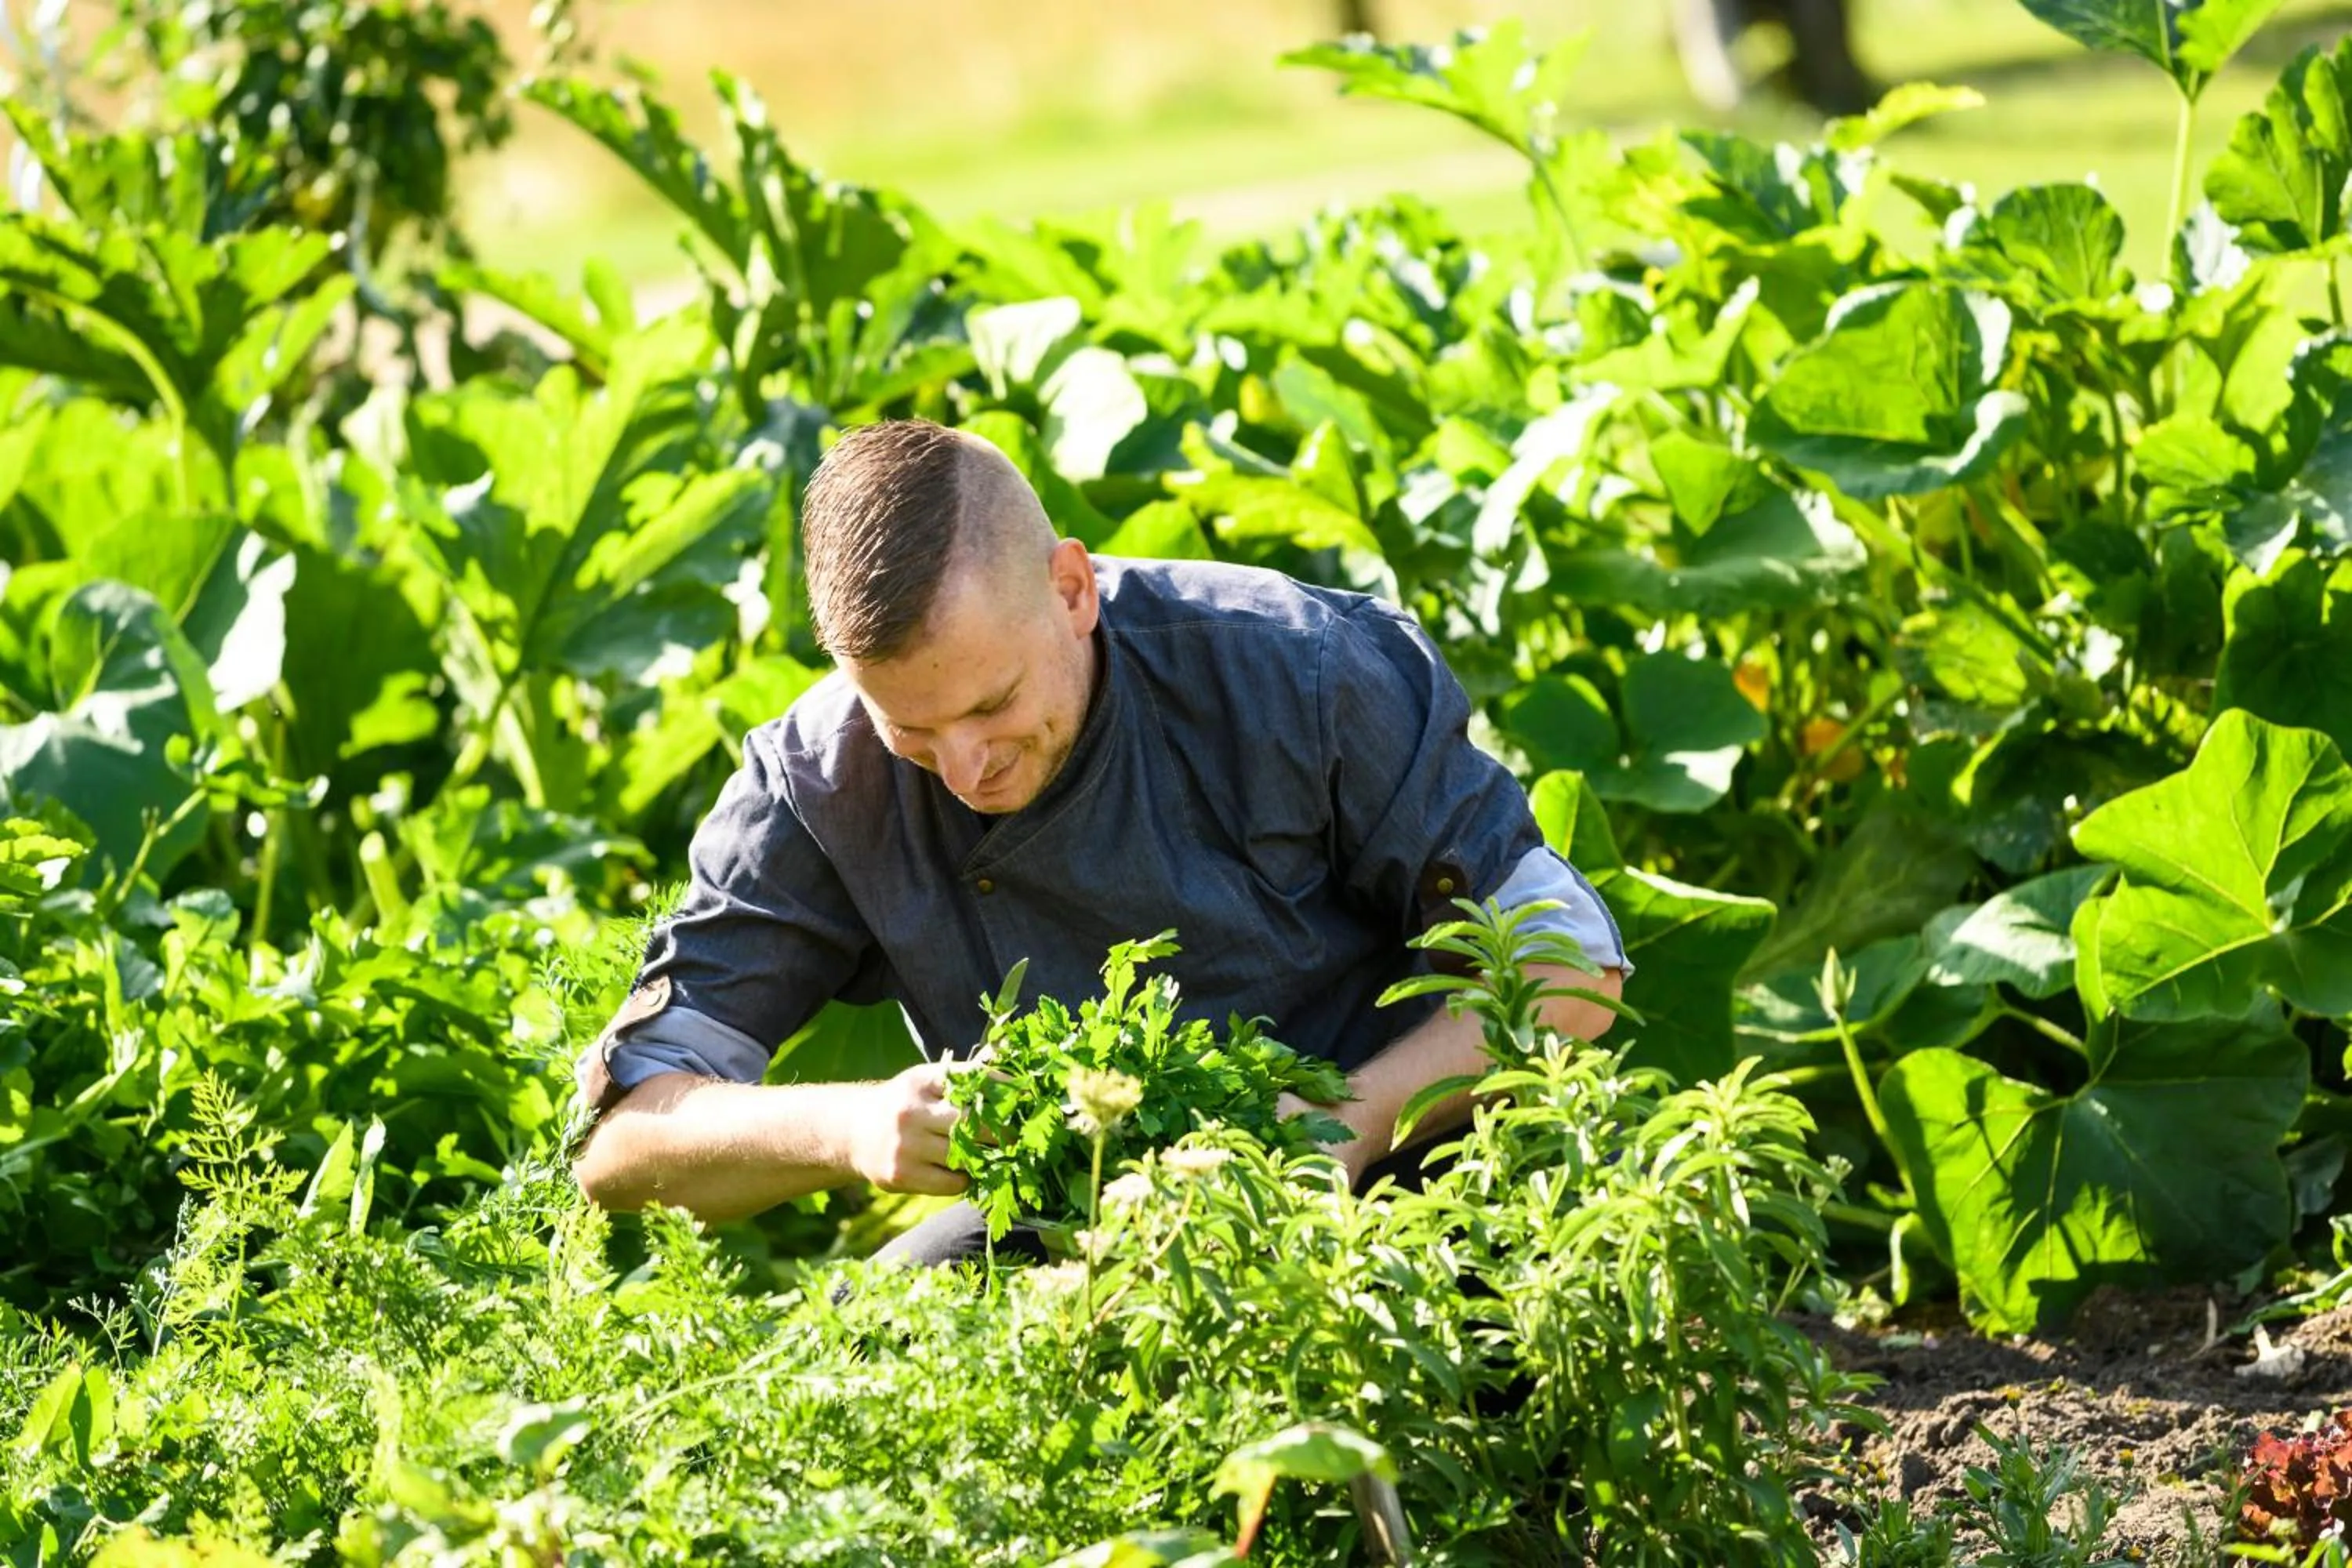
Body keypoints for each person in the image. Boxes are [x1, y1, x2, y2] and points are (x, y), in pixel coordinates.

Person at [569, 419, 1629, 1265]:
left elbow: (1572, 967)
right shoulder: (819, 781)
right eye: (916, 732)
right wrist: (850, 1128)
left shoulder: (1296, 668)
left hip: (1401, 1171)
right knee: (874, 1357)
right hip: (1075, 1226)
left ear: (1072, 590)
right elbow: (622, 1144)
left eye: (994, 704)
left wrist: (1340, 1122)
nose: (968, 766)